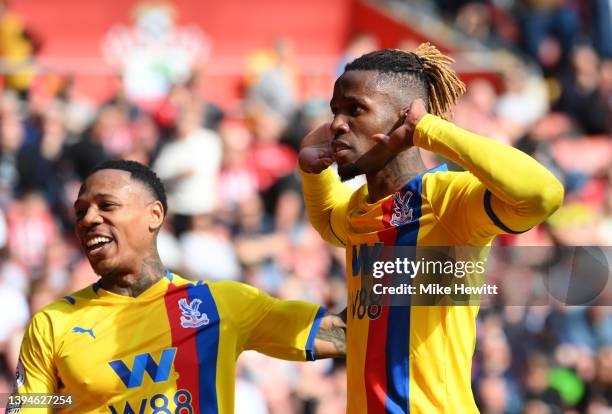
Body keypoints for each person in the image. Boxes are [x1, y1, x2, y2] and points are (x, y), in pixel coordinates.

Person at [298, 44, 564, 413]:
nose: (337, 124)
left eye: (355, 109)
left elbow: (543, 195)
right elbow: (330, 223)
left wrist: (432, 131)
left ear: (404, 119)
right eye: (335, 112)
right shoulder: (361, 208)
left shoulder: (448, 201)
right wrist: (314, 174)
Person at [11, 160, 346, 413]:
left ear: (154, 215)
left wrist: (392, 225)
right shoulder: (51, 323)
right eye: (80, 211)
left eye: (106, 206)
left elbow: (347, 335)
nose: (88, 219)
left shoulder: (222, 305)